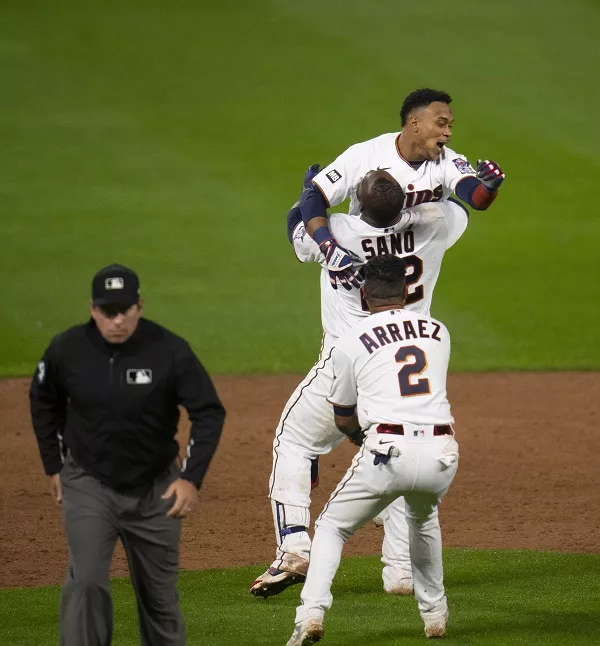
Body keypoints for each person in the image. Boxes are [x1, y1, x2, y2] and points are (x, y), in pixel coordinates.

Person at [250, 169, 467, 598]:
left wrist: (311, 190)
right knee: (401, 450)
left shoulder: (338, 231)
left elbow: (298, 218)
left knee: (295, 440)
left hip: (348, 361)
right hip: (407, 367)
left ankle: (294, 547)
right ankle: (401, 572)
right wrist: (418, 200)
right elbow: (459, 203)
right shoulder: (436, 225)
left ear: (359, 205)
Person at [29, 263, 226, 646]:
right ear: (92, 309)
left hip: (157, 489)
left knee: (160, 597)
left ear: (139, 305)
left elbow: (208, 411)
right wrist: (53, 464)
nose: (116, 320)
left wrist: (190, 478)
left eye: (124, 310)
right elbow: (43, 399)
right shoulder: (66, 349)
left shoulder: (168, 350)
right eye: (107, 311)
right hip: (88, 481)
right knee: (85, 582)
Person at [286, 255, 459, 645]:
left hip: (386, 449)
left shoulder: (350, 341)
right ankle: (435, 615)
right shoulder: (438, 331)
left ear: (364, 293)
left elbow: (343, 415)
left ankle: (310, 615)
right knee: (423, 520)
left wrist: (362, 442)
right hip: (441, 453)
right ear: (407, 290)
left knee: (332, 527)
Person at [297, 88, 505, 290]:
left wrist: (488, 187)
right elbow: (317, 194)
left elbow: (476, 198)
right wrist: (328, 246)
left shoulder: (448, 160)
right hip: (365, 256)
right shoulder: (364, 155)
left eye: (450, 125)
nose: (448, 132)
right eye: (441, 124)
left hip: (413, 255)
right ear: (415, 123)